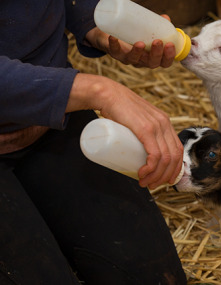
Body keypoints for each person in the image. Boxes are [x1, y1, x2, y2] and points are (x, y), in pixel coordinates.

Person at [0, 0, 187, 284]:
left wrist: (95, 22)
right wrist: (100, 91)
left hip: (50, 116)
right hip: (50, 94)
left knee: (154, 276)